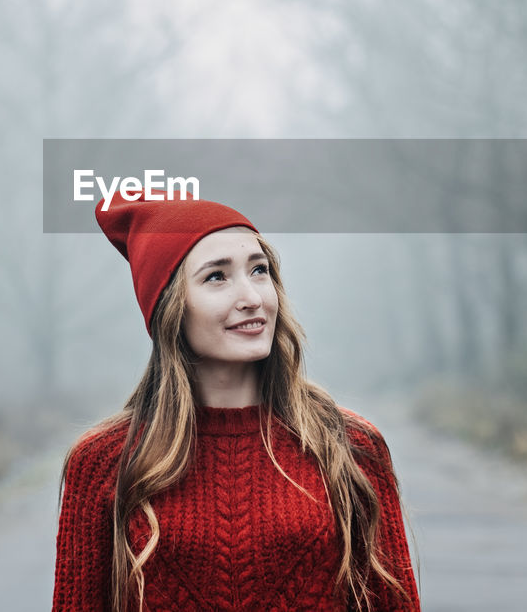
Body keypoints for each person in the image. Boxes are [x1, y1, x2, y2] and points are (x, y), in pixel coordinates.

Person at [52, 193, 421, 611]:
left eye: (259, 271)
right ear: (169, 307)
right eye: (216, 277)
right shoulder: (104, 461)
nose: (252, 297)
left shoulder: (350, 445)